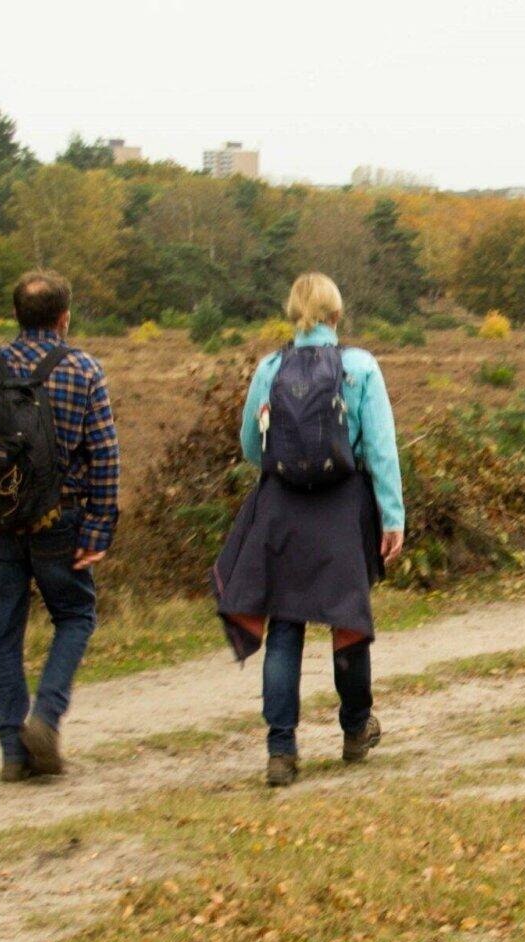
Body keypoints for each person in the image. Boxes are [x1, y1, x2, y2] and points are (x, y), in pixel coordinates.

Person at [214, 273, 406, 788]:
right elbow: (381, 451)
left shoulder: (269, 368)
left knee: (285, 627)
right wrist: (393, 518)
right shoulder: (361, 367)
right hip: (343, 508)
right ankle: (354, 730)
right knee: (347, 622)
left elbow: (251, 449)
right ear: (336, 315)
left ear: (293, 315)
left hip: (281, 508)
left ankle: (281, 751)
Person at [0, 269, 120, 782]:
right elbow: (105, 458)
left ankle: (12, 753)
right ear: (64, 317)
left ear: (16, 317)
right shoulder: (84, 370)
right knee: (75, 617)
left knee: (3, 633)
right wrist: (97, 531)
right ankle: (45, 719)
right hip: (62, 519)